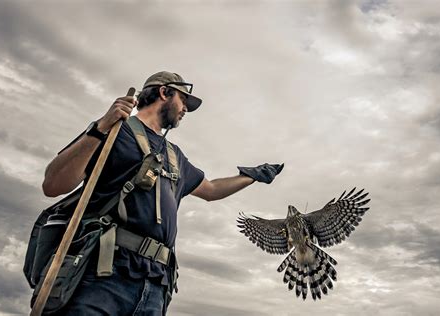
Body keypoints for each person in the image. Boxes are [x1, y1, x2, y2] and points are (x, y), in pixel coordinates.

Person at [42, 71, 283, 315]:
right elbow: (53, 184)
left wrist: (252, 176)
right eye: (183, 100)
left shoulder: (173, 154)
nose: (185, 109)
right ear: (164, 92)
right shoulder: (115, 130)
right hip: (104, 274)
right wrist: (101, 127)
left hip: (156, 284)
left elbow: (210, 190)